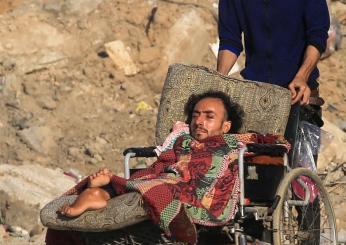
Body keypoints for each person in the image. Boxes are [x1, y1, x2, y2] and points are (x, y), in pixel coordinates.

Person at [216, 0, 329, 245]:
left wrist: (302, 76)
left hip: (297, 92)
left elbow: (317, 35)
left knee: (302, 177)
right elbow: (231, 38)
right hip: (256, 94)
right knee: (252, 184)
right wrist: (219, 83)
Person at [58, 92, 243, 218]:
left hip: (190, 185)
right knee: (150, 177)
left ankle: (108, 191)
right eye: (195, 116)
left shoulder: (231, 145)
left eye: (209, 117)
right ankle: (99, 193)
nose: (199, 121)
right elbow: (165, 163)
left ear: (226, 126)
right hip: (166, 175)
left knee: (160, 186)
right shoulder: (181, 141)